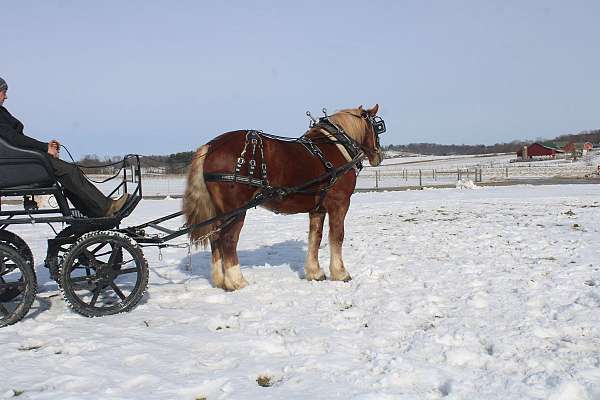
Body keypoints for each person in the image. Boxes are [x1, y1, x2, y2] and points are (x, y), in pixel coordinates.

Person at [0, 77, 128, 217]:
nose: (6, 96)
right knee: (69, 171)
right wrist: (44, 148)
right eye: (3, 91)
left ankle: (94, 211)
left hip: (19, 161)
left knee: (68, 173)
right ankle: (104, 208)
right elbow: (13, 139)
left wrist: (45, 148)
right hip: (17, 165)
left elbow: (14, 140)